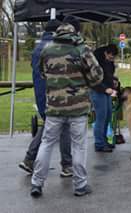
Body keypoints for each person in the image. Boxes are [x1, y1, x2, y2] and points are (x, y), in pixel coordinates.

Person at [30, 16, 104, 198]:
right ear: (76, 30)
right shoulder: (82, 49)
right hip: (78, 108)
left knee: (46, 144)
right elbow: (97, 77)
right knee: (79, 146)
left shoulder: (47, 49)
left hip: (54, 106)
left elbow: (42, 73)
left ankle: (37, 183)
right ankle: (80, 185)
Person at [18, 20, 73, 178]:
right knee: (63, 128)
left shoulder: (38, 48)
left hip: (42, 95)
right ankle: (66, 165)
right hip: (57, 95)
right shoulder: (57, 48)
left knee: (49, 126)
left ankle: (29, 160)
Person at [90, 44, 119, 152]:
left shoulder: (108, 61)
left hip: (107, 91)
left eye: (113, 58)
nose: (112, 60)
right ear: (106, 53)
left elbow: (108, 74)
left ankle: (105, 140)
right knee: (101, 118)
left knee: (108, 116)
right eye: (111, 57)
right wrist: (104, 89)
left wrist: (114, 81)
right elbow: (93, 79)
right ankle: (99, 144)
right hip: (98, 91)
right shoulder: (95, 61)